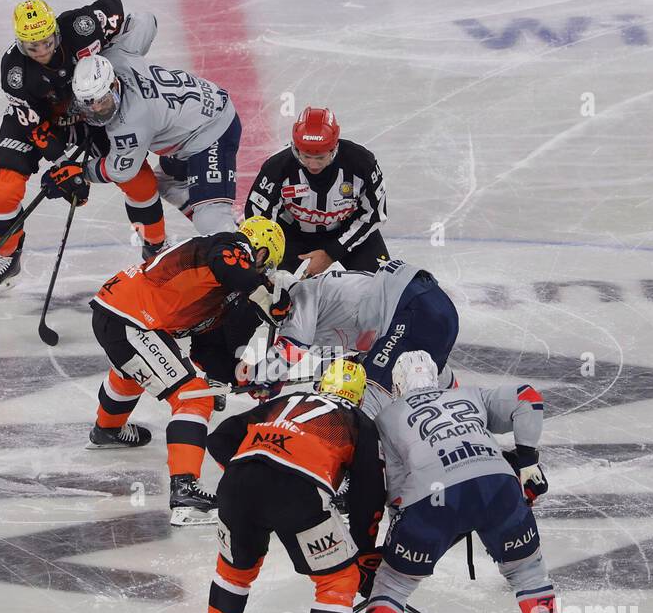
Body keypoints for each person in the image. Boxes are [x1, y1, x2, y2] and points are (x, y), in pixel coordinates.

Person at [350, 350, 596, 613]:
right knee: (527, 571)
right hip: (498, 487)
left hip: (431, 501)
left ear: (397, 386)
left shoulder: (385, 419)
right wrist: (526, 461)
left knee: (393, 582)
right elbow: (528, 397)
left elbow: (389, 490)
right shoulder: (468, 395)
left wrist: (402, 538)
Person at [86, 217, 289, 525]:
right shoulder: (229, 246)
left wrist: (244, 377)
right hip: (131, 319)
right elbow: (230, 264)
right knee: (193, 397)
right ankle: (185, 493)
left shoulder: (220, 289)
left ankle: (107, 428)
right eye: (265, 266)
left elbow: (207, 350)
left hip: (122, 317)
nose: (263, 273)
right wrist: (266, 295)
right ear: (259, 253)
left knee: (134, 369)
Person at [200, 359, 386, 613]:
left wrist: (249, 475)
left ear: (321, 385)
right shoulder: (359, 422)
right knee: (337, 580)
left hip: (238, 482)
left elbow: (218, 439)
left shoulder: (285, 401)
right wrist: (364, 554)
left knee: (234, 569)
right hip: (297, 491)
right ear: (358, 397)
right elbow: (368, 495)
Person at [0, 0, 160, 292]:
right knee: (2, 190)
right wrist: (66, 167)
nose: (42, 51)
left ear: (56, 31)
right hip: (45, 121)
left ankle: (155, 249)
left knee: (137, 178)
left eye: (47, 42)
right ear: (20, 43)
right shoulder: (15, 73)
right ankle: (7, 255)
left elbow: (113, 4)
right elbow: (35, 126)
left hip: (95, 109)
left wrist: (115, 58)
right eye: (32, 47)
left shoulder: (81, 26)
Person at [69, 51, 241, 258]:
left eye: (102, 100)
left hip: (211, 132)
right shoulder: (117, 56)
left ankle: (249, 262)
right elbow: (146, 24)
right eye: (88, 103)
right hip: (192, 121)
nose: (97, 109)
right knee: (167, 182)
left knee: (210, 221)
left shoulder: (132, 120)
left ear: (114, 85)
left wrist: (81, 172)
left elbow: (121, 170)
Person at [253, 258, 459, 417]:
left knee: (367, 399)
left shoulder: (300, 293)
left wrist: (262, 379)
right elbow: (332, 371)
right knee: (420, 367)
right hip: (435, 311)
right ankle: (462, 411)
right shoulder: (324, 308)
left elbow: (290, 350)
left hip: (411, 306)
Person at [246, 106, 389, 275]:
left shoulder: (362, 163)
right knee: (261, 283)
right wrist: (264, 260)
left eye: (320, 157)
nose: (313, 165)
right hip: (290, 235)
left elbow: (374, 215)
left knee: (382, 283)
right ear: (296, 148)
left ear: (334, 148)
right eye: (306, 156)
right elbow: (258, 219)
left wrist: (332, 252)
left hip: (347, 228)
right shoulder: (277, 167)